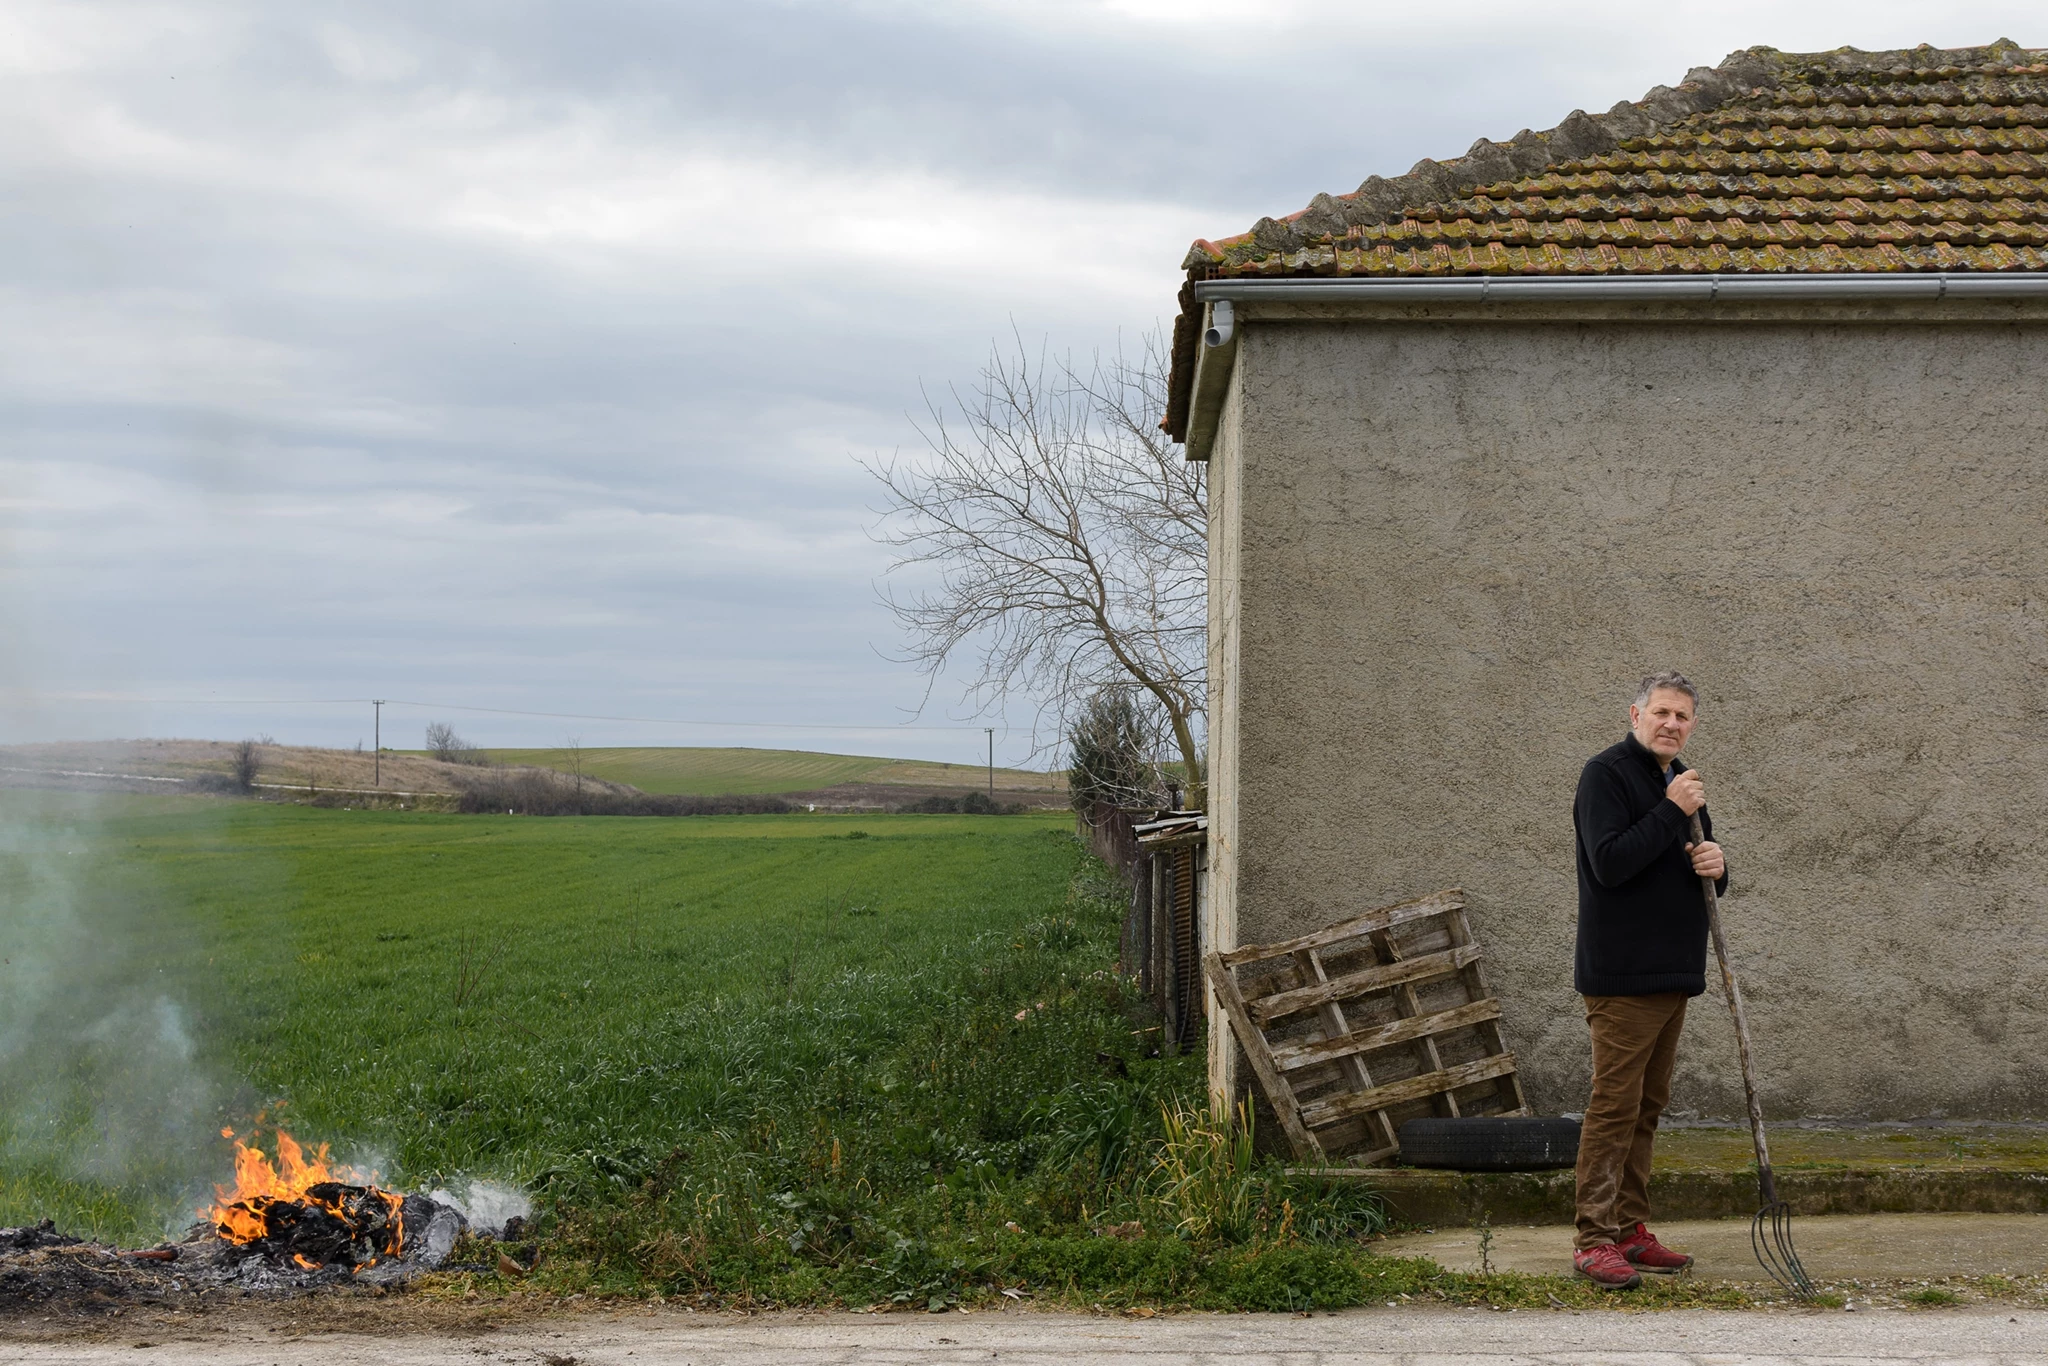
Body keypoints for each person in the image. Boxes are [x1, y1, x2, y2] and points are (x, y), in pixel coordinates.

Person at [1568, 671, 1725, 1289]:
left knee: (1646, 1107)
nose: (1671, 724)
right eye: (1661, 712)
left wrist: (1717, 863)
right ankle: (1593, 1239)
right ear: (1636, 715)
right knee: (1614, 1106)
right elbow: (1610, 863)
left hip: (1673, 972)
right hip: (1623, 974)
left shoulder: (1680, 783)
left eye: (1682, 716)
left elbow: (1690, 864)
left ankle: (1630, 1231)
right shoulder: (1605, 775)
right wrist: (1672, 810)